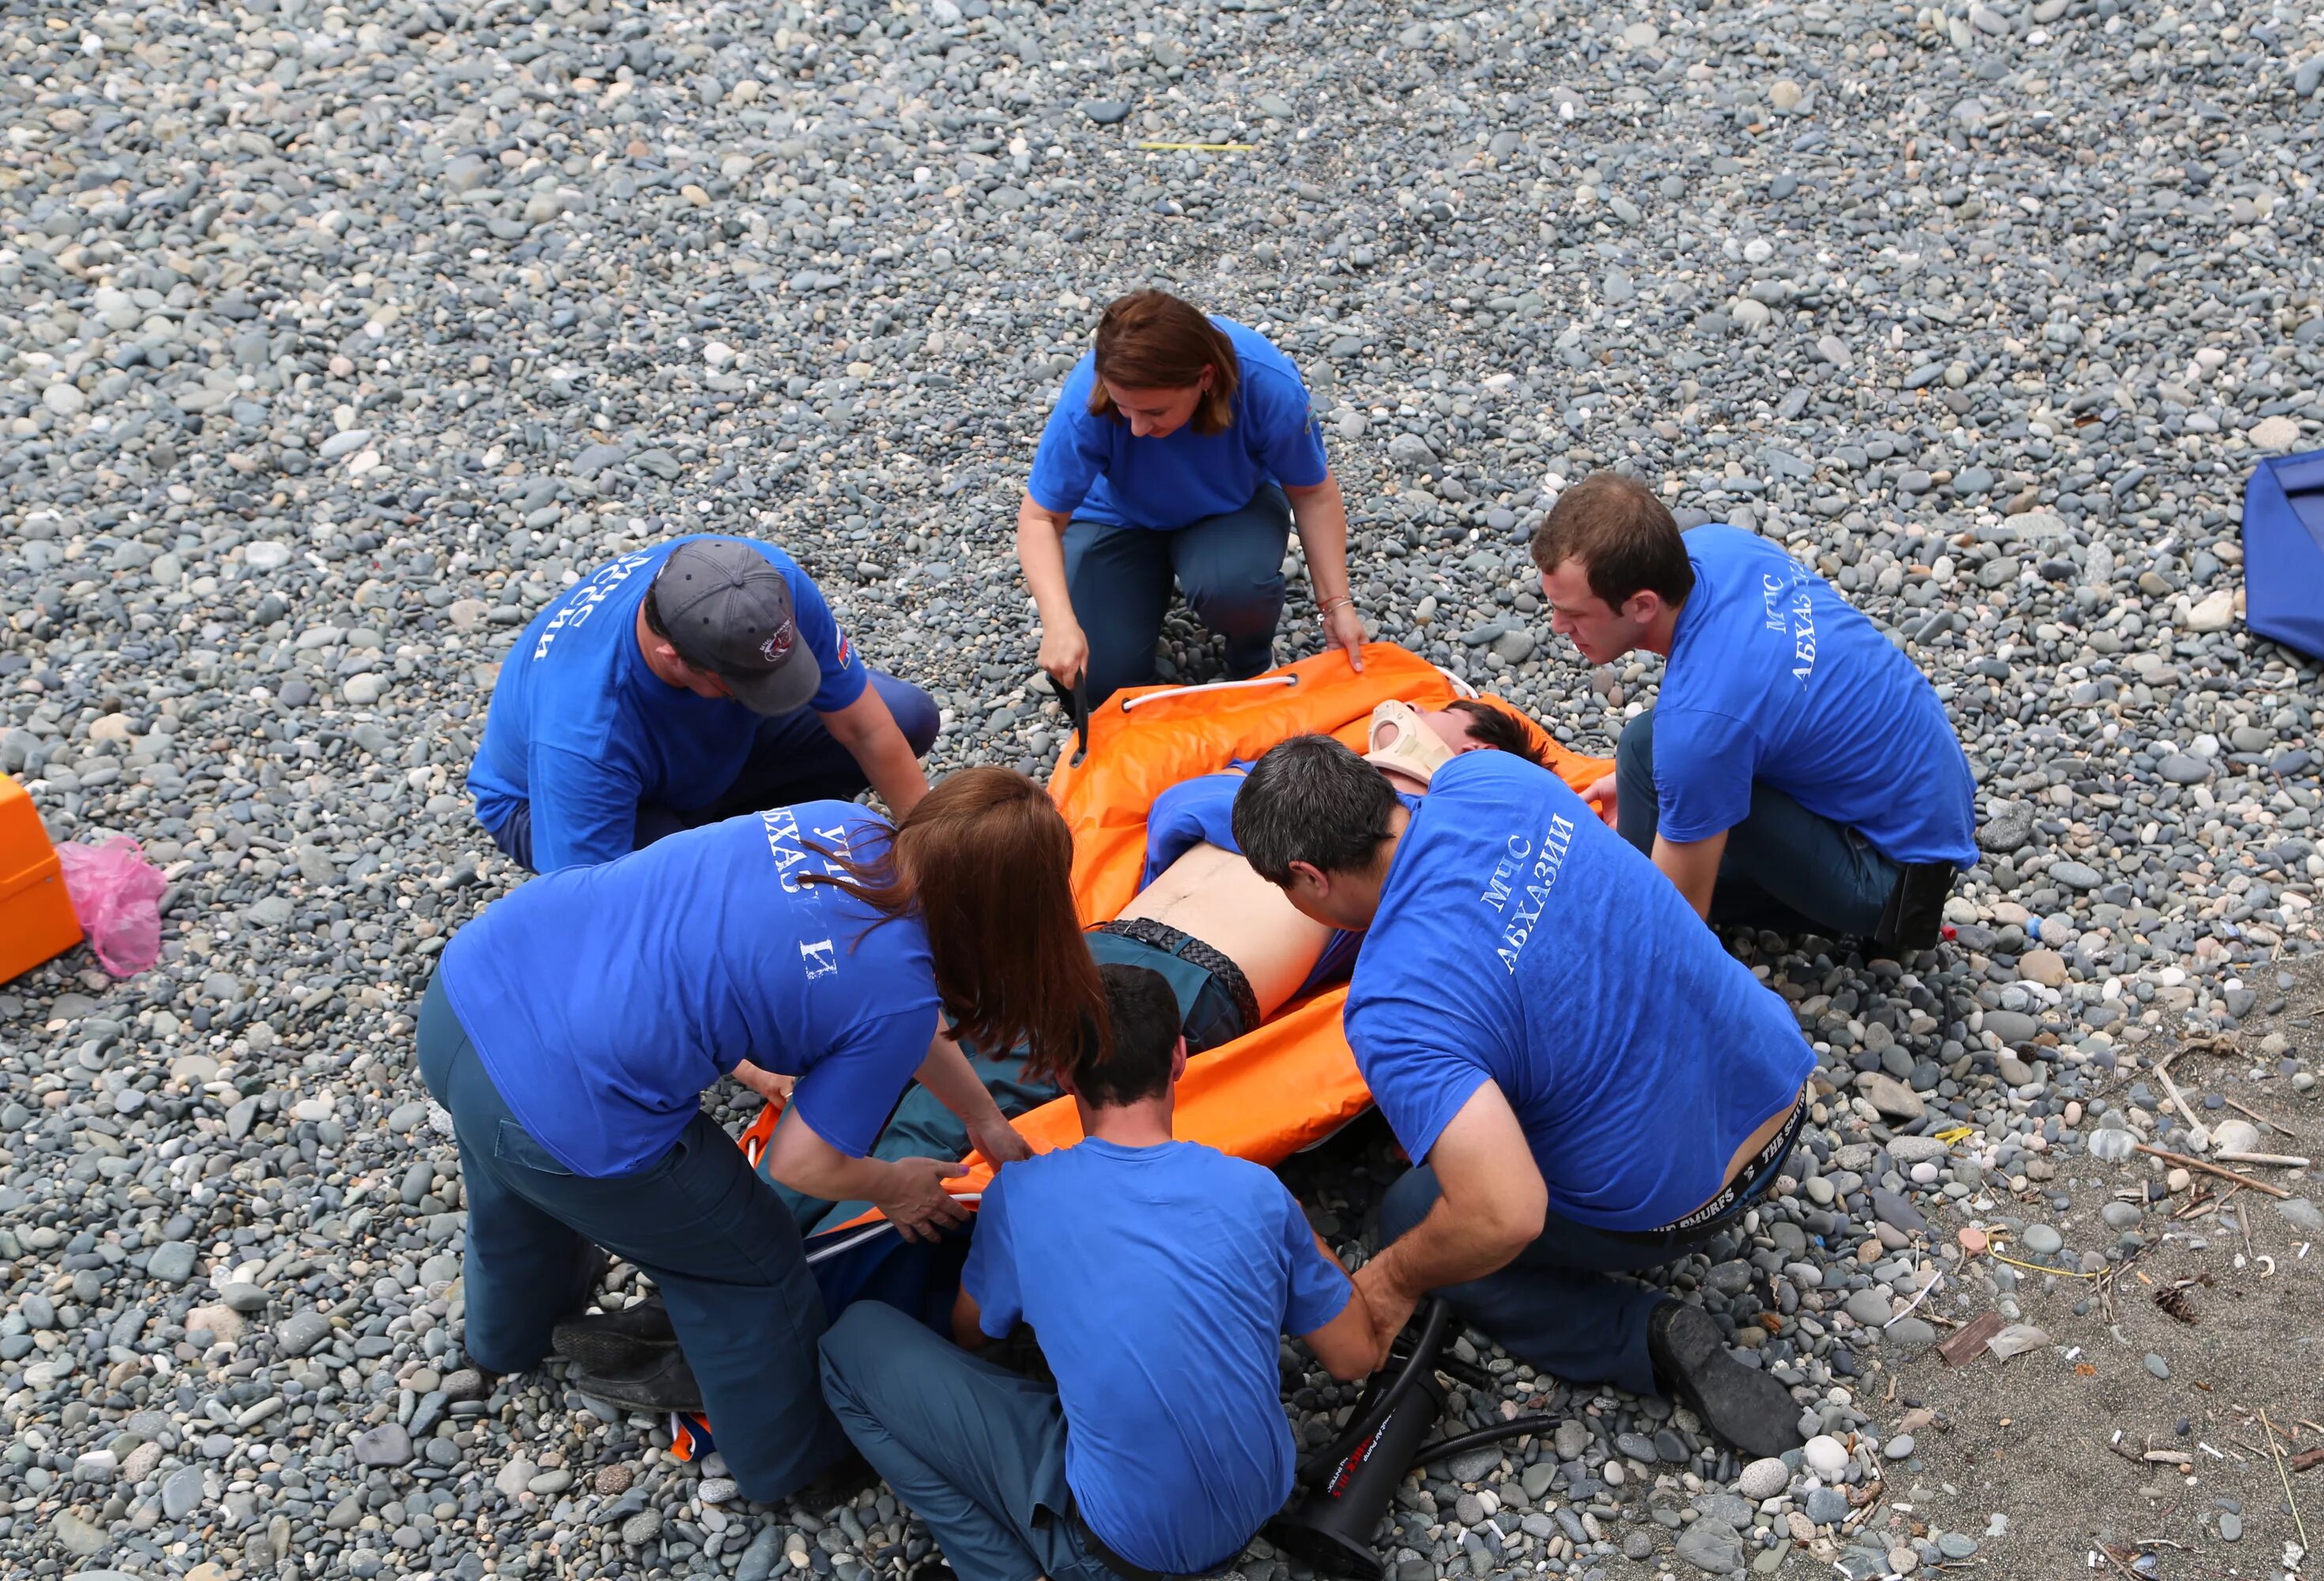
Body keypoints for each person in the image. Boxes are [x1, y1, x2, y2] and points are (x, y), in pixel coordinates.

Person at [411, 768, 1103, 1500]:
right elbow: (802, 1161)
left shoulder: (847, 824)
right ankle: (795, 1468)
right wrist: (892, 1185)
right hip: (561, 1105)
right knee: (753, 1264)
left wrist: (983, 1119)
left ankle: (506, 1341)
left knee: (509, 1185)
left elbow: (901, 1006)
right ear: (1002, 912)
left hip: (473, 991)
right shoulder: (894, 991)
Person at [756, 700, 1554, 1240]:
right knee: (901, 1061)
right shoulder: (1307, 783)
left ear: (1472, 749)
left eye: (1429, 718)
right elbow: (1178, 809)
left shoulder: (1429, 833)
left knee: (960, 1099)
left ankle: (794, 1259)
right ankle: (755, 1235)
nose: (1402, 718)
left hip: (1187, 977)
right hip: (1111, 941)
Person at [1231, 735, 1816, 1458]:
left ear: (1308, 877)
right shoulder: (1488, 776)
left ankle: (1642, 1333)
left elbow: (1505, 1215)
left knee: (1418, 1213)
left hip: (1681, 1206)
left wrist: (1392, 1279)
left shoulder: (1392, 1005)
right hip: (1781, 1090)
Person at [817, 963, 1381, 1581]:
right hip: (1258, 1501)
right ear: (1180, 1058)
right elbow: (1355, 1356)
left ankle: (1002, 1568)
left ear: (1060, 1072)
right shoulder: (1257, 1193)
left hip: (1119, 1553)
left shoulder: (1023, 1197)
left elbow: (973, 1333)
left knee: (849, 1344)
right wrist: (1292, 1229)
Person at [1531, 473, 1977, 948]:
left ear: (1642, 605)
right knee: (1655, 754)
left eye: (1574, 613)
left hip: (1898, 890)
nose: (1558, 626)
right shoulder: (1718, 548)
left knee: (1652, 766)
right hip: (1932, 808)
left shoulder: (1701, 725)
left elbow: (1676, 933)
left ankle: (1638, 897)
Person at [467, 533, 941, 874]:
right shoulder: (585, 735)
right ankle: (711, 846)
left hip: (694, 754)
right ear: (673, 658)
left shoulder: (764, 584)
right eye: (746, 684)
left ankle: (721, 833)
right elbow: (585, 916)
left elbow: (868, 729)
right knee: (714, 897)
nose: (774, 692)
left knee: (908, 718)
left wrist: (935, 856)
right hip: (556, 803)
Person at [1018, 289, 1368, 720]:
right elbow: (1039, 518)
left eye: (1154, 412)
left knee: (1235, 588)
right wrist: (1058, 624)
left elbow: (1312, 492)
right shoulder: (1088, 396)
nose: (1137, 428)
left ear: (1204, 378)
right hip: (1116, 517)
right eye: (1123, 409)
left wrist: (1336, 606)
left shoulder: (1265, 383)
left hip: (1230, 507)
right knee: (1104, 685)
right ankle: (1139, 589)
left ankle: (1252, 658)